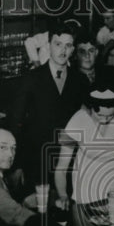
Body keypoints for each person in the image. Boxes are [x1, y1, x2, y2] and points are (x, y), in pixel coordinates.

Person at [9, 22, 90, 188]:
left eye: (68, 46)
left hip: (70, 162)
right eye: (58, 44)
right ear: (49, 46)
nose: (63, 50)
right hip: (36, 160)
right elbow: (15, 123)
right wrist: (17, 165)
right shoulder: (31, 79)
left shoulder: (80, 80)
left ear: (73, 50)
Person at [54, 81, 114, 226]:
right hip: (87, 183)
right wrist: (63, 194)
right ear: (90, 108)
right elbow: (61, 167)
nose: (105, 120)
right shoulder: (77, 122)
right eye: (99, 115)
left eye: (110, 116)